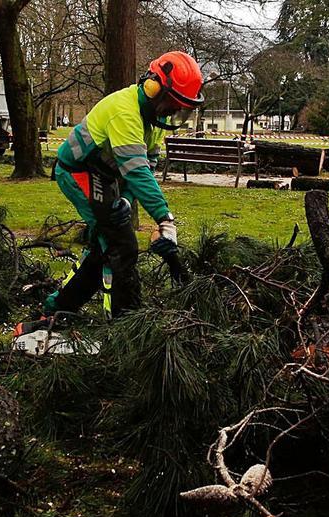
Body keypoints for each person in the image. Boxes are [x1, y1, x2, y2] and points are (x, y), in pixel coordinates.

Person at [34, 51, 204, 323]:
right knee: (121, 245)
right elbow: (137, 172)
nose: (173, 112)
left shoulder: (155, 120)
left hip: (107, 175)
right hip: (79, 170)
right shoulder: (125, 112)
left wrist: (124, 200)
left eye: (179, 108)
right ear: (153, 88)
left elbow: (147, 163)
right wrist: (164, 218)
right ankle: (124, 321)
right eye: (172, 104)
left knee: (106, 242)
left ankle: (58, 307)